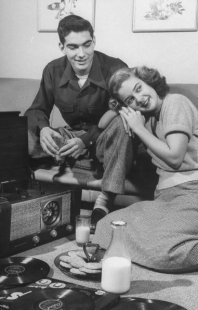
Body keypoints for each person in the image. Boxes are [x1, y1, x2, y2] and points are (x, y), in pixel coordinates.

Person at [91, 66, 198, 273]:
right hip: (166, 201)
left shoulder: (175, 103)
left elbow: (175, 157)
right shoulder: (146, 118)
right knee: (106, 228)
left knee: (162, 252)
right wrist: (122, 114)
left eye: (139, 88)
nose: (139, 98)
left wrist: (137, 128)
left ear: (149, 82)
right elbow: (103, 126)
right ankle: (196, 241)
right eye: (130, 99)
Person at [24, 15, 133, 230]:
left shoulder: (115, 67)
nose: (81, 54)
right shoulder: (52, 70)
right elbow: (36, 109)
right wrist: (45, 129)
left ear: (94, 41)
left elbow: (124, 109)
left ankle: (103, 202)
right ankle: (27, 196)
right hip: (70, 137)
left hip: (105, 139)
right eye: (73, 47)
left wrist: (86, 141)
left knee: (122, 125)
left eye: (87, 45)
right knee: (20, 134)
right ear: (61, 46)